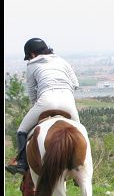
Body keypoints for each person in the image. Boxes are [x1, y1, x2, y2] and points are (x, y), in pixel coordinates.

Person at [5, 38, 81, 175]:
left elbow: (31, 92)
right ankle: (80, 166)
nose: (29, 59)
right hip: (68, 102)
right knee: (81, 132)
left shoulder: (31, 65)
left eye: (29, 57)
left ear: (33, 54)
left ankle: (22, 163)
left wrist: (37, 107)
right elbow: (75, 84)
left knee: (21, 131)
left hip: (45, 101)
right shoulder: (62, 61)